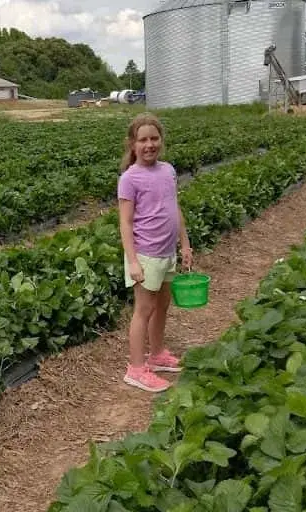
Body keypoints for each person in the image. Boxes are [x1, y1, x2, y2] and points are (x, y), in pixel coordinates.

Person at [117, 112, 193, 393]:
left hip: (167, 251)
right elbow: (124, 223)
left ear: (161, 140)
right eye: (143, 140)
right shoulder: (130, 178)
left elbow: (175, 208)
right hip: (146, 254)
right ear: (132, 144)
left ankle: (157, 354)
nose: (149, 144)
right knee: (144, 310)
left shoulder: (168, 170)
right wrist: (133, 261)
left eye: (154, 138)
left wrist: (184, 243)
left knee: (162, 305)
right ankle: (136, 369)